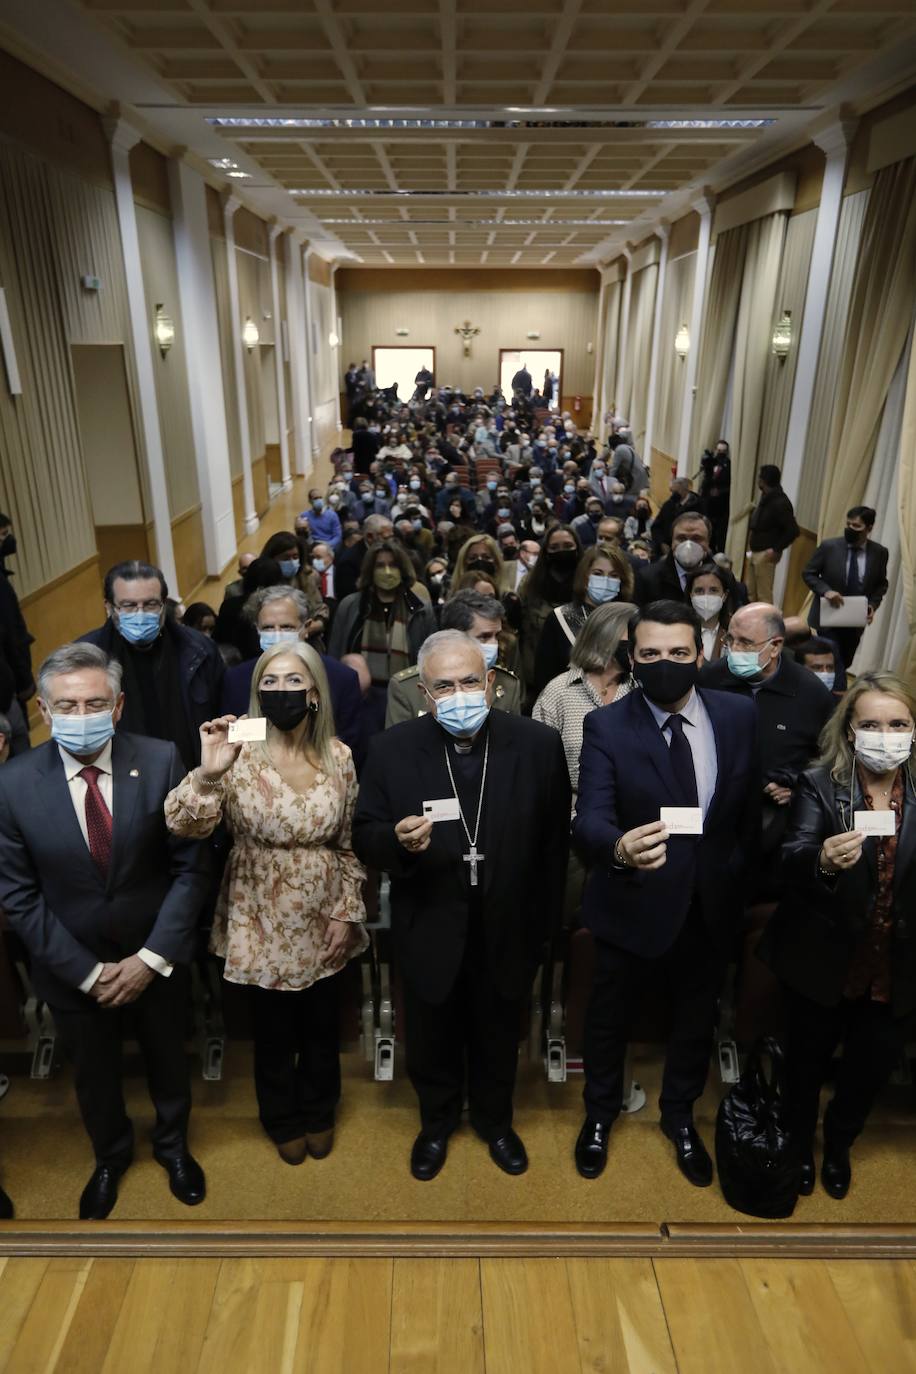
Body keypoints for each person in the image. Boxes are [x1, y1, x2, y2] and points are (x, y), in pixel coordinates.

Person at [0, 643, 210, 1218]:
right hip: (70, 967)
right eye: (67, 705)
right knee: (93, 1075)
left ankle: (173, 1148)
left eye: (95, 703)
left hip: (155, 958)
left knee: (170, 1062)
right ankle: (110, 1157)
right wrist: (87, 973)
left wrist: (151, 958)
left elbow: (190, 869)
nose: (81, 714)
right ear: (43, 710)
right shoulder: (12, 784)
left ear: (117, 707)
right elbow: (19, 895)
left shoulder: (162, 759)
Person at [353, 631, 570, 1180]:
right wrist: (396, 842)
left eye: (470, 681)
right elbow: (365, 833)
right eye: (444, 686)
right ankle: (436, 1123)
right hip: (429, 918)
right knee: (431, 1034)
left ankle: (496, 1122)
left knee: (499, 1030)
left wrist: (545, 926)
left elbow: (553, 845)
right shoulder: (391, 749)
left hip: (509, 922)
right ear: (424, 694)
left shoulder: (538, 745)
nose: (459, 695)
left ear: (491, 682)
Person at [573, 600, 758, 1185]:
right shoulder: (607, 724)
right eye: (650, 653)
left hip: (710, 902)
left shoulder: (738, 714)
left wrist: (735, 871)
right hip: (632, 897)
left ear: (701, 655)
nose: (666, 664)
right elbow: (589, 816)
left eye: (679, 652)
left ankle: (679, 1117)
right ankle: (599, 1114)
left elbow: (746, 812)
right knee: (609, 1020)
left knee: (696, 1019)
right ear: (631, 657)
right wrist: (619, 847)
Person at [165, 642, 367, 1165]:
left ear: (315, 692)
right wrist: (209, 771)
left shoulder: (340, 757)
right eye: (269, 682)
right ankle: (281, 1117)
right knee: (273, 1031)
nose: (281, 690)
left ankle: (320, 1109)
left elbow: (348, 844)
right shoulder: (237, 749)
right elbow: (184, 825)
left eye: (293, 680)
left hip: (323, 908)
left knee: (321, 1025)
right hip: (257, 909)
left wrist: (347, 909)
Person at [758, 673, 916, 1200]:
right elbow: (792, 856)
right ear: (850, 731)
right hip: (824, 954)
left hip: (896, 961)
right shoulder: (819, 784)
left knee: (869, 1069)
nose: (885, 735)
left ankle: (841, 1143)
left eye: (898, 724)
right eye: (871, 724)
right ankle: (801, 1145)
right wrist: (823, 861)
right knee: (805, 1065)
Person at [699, 601, 835, 895]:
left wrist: (797, 784)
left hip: (774, 826)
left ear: (775, 647)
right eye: (730, 639)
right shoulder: (709, 679)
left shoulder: (811, 693)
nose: (734, 649)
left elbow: (829, 758)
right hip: (714, 816)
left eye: (746, 642)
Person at [533, 602, 635, 909]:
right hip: (568, 832)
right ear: (606, 637)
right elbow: (537, 771)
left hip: (629, 830)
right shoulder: (558, 693)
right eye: (632, 637)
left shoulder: (641, 690)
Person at [80, 560, 224, 768]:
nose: (140, 614)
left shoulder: (200, 650)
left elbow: (220, 714)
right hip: (123, 774)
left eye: (150, 604)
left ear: (164, 605)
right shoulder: (85, 659)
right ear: (109, 607)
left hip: (193, 771)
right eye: (128, 605)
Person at [221, 586, 365, 765]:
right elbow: (232, 743)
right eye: (268, 627)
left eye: (286, 627)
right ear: (257, 629)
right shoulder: (236, 679)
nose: (277, 634)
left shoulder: (341, 678)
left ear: (306, 627)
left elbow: (352, 747)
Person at [328, 541, 437, 735]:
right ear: (370, 570)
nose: (387, 571)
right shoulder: (352, 606)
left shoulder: (419, 610)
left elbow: (432, 658)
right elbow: (336, 652)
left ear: (402, 569)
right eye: (380, 565)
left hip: (407, 695)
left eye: (393, 565)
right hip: (361, 699)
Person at [386, 590, 521, 725]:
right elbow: (399, 738)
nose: (494, 644)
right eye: (484, 637)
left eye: (497, 636)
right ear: (454, 635)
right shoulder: (406, 688)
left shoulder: (508, 684)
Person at [532, 544, 634, 700]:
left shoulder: (632, 619)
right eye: (598, 573)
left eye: (614, 575)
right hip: (569, 702)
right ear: (585, 577)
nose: (606, 580)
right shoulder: (560, 618)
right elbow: (544, 676)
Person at [803, 506, 889, 671]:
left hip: (854, 620)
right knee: (831, 659)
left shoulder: (880, 553)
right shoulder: (829, 547)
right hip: (828, 616)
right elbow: (808, 573)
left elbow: (881, 584)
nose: (850, 529)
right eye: (848, 524)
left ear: (869, 528)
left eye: (856, 526)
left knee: (844, 662)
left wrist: (872, 605)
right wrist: (826, 591)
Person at [518, 525, 582, 703]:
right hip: (537, 678)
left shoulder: (586, 584)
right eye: (554, 547)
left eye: (568, 546)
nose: (562, 551)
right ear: (546, 552)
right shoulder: (530, 584)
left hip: (579, 676)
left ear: (577, 548)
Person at [745, 465, 799, 604]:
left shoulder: (780, 502)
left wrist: (776, 549)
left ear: (764, 480)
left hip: (765, 554)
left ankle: (766, 618)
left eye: (760, 477)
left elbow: (793, 530)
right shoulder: (766, 497)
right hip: (754, 551)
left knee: (764, 596)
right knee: (750, 593)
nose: (758, 481)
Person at [636, 512, 713, 607]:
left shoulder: (722, 579)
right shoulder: (647, 579)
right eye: (681, 538)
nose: (688, 545)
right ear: (672, 542)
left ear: (708, 543)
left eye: (696, 539)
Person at [685, 560, 740, 663]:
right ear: (691, 595)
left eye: (713, 590)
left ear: (724, 595)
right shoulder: (679, 630)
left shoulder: (736, 631)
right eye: (699, 591)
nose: (706, 596)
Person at [335, 512, 394, 602]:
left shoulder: (392, 552)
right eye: (386, 538)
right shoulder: (349, 561)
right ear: (370, 537)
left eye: (392, 537)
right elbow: (348, 597)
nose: (391, 542)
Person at [651, 478, 704, 558]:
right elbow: (656, 527)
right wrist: (662, 543)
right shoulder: (668, 505)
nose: (673, 495)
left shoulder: (698, 505)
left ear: (685, 489)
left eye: (675, 492)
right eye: (671, 491)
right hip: (666, 549)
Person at [698, 442, 731, 552]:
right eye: (719, 450)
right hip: (707, 502)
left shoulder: (729, 466)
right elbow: (706, 481)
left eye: (723, 451)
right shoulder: (711, 462)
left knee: (719, 533)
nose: (720, 453)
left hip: (721, 505)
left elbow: (731, 485)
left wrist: (720, 491)